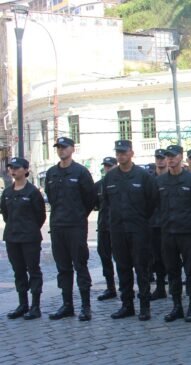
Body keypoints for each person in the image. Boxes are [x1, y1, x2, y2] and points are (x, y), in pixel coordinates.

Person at [102, 140, 157, 321]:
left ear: (131, 153)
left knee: (142, 269)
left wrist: (141, 221)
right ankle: (127, 305)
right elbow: (107, 203)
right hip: (118, 230)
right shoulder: (110, 177)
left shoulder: (143, 176)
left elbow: (152, 202)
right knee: (122, 268)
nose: (120, 156)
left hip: (139, 229)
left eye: (124, 152)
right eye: (118, 152)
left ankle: (144, 306)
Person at [45, 137, 95, 321]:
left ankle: (86, 306)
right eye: (58, 148)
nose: (61, 150)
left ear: (72, 149)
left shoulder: (81, 172)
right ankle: (67, 305)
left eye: (64, 147)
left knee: (80, 266)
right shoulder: (51, 173)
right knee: (63, 268)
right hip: (58, 226)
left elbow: (89, 199)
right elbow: (51, 198)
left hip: (75, 226)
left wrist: (79, 216)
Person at [156, 145, 191, 322]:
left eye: (173, 156)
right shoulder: (160, 182)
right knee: (172, 270)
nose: (170, 159)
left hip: (188, 232)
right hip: (168, 232)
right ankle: (177, 305)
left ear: (180, 157)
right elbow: (156, 205)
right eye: (167, 156)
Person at [1, 157, 46, 320]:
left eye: (17, 168)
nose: (13, 170)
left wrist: (30, 229)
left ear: (26, 170)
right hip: (12, 237)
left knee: (33, 271)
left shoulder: (32, 192)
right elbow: (5, 215)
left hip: (30, 238)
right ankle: (22, 304)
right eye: (11, 168)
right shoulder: (7, 192)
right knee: (18, 271)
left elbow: (40, 216)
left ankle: (35, 306)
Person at [94, 157, 118, 301]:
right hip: (103, 226)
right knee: (105, 258)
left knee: (123, 260)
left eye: (110, 166)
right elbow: (93, 203)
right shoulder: (99, 185)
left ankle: (126, 288)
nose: (108, 169)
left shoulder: (121, 182)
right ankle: (110, 287)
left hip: (119, 227)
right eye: (106, 166)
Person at [149, 149, 168, 301]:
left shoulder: (173, 177)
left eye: (163, 158)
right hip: (155, 225)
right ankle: (160, 287)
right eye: (158, 158)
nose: (160, 161)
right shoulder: (149, 179)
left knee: (174, 259)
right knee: (157, 259)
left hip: (173, 225)